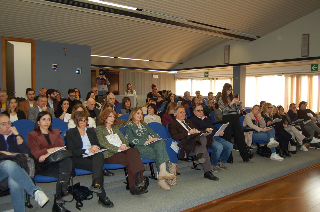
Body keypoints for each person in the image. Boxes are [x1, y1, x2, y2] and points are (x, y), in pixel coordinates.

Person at [0, 114, 49, 211]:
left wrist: (17, 135)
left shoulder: (14, 136)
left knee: (15, 182)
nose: (8, 126)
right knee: (8, 164)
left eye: (9, 123)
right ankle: (34, 190)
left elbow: (27, 153)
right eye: (3, 124)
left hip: (14, 172)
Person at [65, 111, 114, 208]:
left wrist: (96, 147)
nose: (84, 123)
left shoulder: (91, 131)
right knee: (98, 167)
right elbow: (71, 151)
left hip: (92, 156)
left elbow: (98, 145)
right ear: (76, 121)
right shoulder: (70, 133)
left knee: (99, 155)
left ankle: (96, 183)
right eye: (81, 121)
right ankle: (102, 196)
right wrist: (87, 150)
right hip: (79, 158)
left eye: (85, 120)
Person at [27, 111, 73, 212]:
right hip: (42, 164)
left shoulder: (55, 132)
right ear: (38, 122)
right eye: (43, 119)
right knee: (65, 170)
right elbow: (35, 153)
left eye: (49, 119)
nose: (46, 122)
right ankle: (59, 200)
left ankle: (58, 201)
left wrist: (48, 153)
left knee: (66, 161)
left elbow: (62, 148)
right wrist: (49, 150)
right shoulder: (32, 135)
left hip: (56, 161)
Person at [96, 109, 148, 194]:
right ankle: (136, 184)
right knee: (131, 160)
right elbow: (103, 143)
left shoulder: (115, 128)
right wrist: (117, 148)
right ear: (104, 117)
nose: (112, 118)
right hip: (110, 154)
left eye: (113, 116)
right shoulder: (99, 129)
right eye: (110, 116)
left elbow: (124, 140)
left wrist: (123, 145)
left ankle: (137, 182)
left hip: (122, 150)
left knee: (134, 151)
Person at [124, 108, 176, 190]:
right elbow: (131, 139)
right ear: (133, 114)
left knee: (160, 143)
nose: (140, 115)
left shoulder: (144, 124)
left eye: (141, 113)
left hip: (148, 145)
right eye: (138, 113)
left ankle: (162, 172)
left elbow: (154, 134)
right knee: (160, 153)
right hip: (137, 148)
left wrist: (154, 138)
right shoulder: (128, 125)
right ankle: (162, 179)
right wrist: (146, 140)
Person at [168, 106, 218, 180]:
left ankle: (201, 158)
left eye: (184, 112)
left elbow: (197, 130)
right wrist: (188, 133)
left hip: (196, 141)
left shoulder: (188, 121)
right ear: (175, 114)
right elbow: (175, 136)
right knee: (203, 145)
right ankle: (207, 171)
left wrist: (201, 131)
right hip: (186, 142)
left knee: (203, 138)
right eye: (181, 112)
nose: (183, 114)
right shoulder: (172, 124)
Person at [190, 105, 233, 171]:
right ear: (194, 112)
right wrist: (206, 130)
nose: (201, 112)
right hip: (206, 138)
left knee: (230, 146)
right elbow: (197, 131)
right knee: (219, 147)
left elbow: (212, 126)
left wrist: (219, 131)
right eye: (199, 110)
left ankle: (220, 161)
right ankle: (212, 164)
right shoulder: (193, 120)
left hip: (215, 136)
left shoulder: (206, 119)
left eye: (202, 110)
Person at [219, 83, 253, 162]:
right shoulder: (221, 99)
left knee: (240, 136)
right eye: (228, 90)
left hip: (235, 117)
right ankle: (228, 157)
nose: (230, 92)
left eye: (231, 90)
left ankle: (245, 156)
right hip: (227, 117)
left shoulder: (232, 97)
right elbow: (224, 110)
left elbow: (237, 109)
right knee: (227, 137)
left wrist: (238, 103)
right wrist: (231, 103)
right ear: (225, 90)